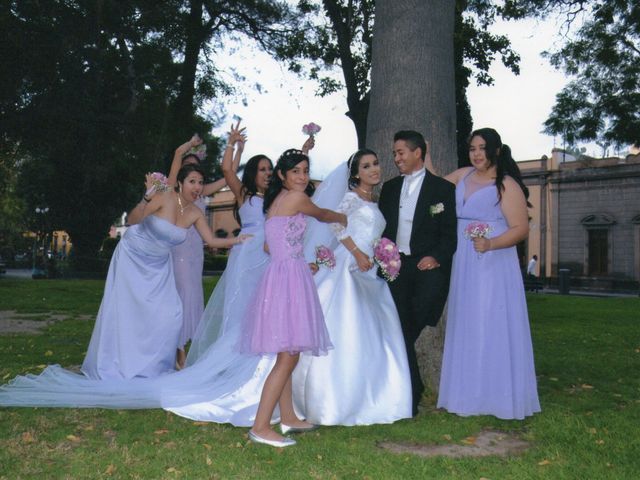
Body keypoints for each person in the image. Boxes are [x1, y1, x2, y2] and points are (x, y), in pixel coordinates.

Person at [80, 164, 248, 380]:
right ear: (180, 183)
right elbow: (132, 220)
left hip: (159, 264)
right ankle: (118, 363)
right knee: (128, 311)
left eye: (200, 182)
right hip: (133, 256)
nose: (197, 187)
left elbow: (212, 240)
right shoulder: (165, 196)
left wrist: (238, 239)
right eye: (192, 181)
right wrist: (147, 198)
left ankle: (153, 367)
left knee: (172, 314)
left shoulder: (195, 212)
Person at [292, 150, 412, 425]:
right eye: (366, 166)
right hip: (350, 266)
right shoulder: (351, 198)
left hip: (369, 269)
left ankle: (375, 395)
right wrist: (357, 253)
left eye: (376, 163)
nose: (374, 169)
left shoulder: (374, 200)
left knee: (374, 331)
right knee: (346, 323)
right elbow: (336, 225)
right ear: (356, 174)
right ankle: (331, 399)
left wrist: (382, 254)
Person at [240, 149, 346, 448]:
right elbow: (323, 215)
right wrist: (341, 216)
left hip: (284, 274)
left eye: (305, 170)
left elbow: (267, 248)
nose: (302, 176)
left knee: (288, 349)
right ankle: (261, 426)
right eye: (295, 171)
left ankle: (287, 417)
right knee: (289, 354)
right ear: (283, 176)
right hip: (287, 279)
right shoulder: (297, 199)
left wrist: (296, 258)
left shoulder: (275, 202)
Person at [432, 127, 540, 419]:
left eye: (482, 148)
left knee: (489, 321)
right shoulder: (463, 175)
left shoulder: (506, 185)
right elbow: (434, 187)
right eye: (472, 149)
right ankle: (467, 393)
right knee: (467, 320)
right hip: (464, 261)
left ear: (495, 150)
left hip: (493, 261)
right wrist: (425, 157)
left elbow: (520, 228)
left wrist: (491, 243)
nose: (476, 154)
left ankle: (495, 395)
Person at [377, 130, 457, 416]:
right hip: (394, 269)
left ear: (417, 153)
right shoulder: (388, 188)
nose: (396, 158)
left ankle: (408, 387)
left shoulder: (443, 190)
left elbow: (450, 235)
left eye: (401, 152)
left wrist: (435, 257)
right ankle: (410, 393)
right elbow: (382, 230)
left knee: (409, 328)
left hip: (426, 269)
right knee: (398, 328)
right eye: (395, 153)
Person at [166, 134, 243, 369]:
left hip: (195, 252)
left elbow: (230, 173)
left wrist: (238, 148)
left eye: (196, 169)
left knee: (193, 296)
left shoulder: (202, 191)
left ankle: (183, 346)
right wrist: (190, 144)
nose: (195, 181)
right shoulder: (171, 192)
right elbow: (178, 155)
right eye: (188, 170)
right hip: (175, 250)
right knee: (181, 296)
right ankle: (177, 348)